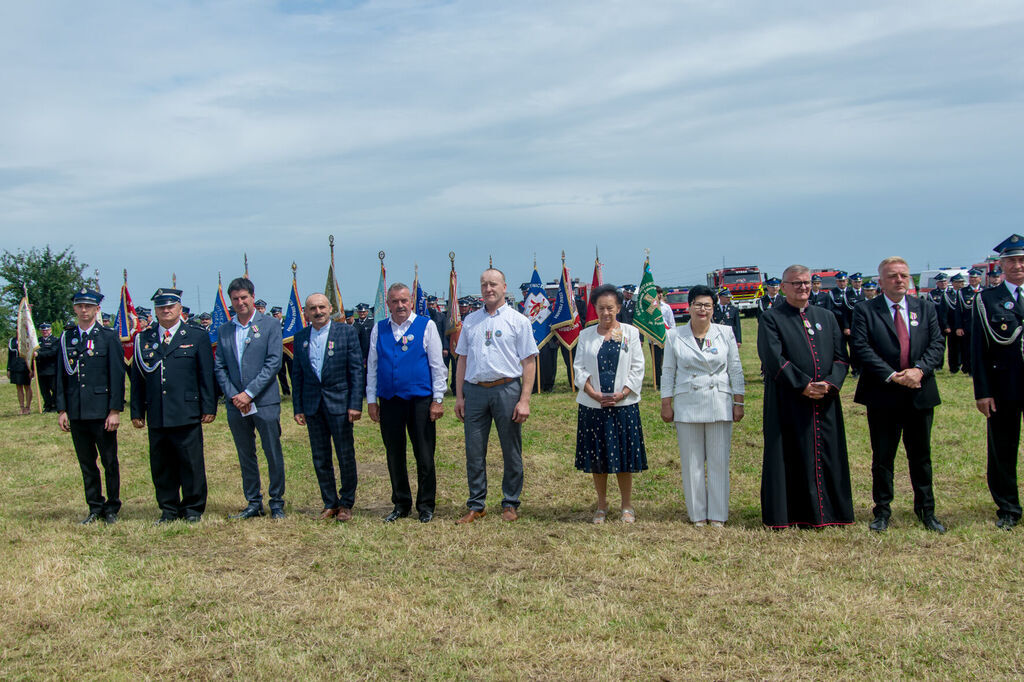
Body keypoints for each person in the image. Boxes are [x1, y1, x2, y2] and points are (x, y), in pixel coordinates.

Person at [851, 257, 946, 533]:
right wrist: (893, 375)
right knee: (883, 457)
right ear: (880, 282)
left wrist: (918, 371)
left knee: (921, 456)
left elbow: (937, 343)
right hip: (883, 394)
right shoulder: (866, 310)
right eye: (892, 276)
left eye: (904, 275)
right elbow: (861, 347)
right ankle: (882, 511)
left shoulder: (925, 308)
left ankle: (927, 511)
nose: (900, 280)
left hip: (919, 392)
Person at [757, 264, 853, 528]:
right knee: (792, 454)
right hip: (788, 399)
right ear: (784, 287)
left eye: (807, 282)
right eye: (796, 283)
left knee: (828, 454)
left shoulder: (827, 316)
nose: (803, 287)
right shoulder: (772, 318)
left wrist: (831, 383)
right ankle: (793, 514)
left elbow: (841, 358)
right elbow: (773, 358)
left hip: (826, 399)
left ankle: (832, 513)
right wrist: (802, 385)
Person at [454, 268, 539, 523]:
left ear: (504, 287)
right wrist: (459, 396)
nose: (488, 289)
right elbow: (462, 360)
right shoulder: (470, 322)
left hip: (506, 390)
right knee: (474, 450)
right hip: (475, 391)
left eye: (493, 284)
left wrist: (524, 399)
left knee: (510, 449)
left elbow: (529, 361)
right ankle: (476, 504)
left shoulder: (518, 320)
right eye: (483, 285)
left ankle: (510, 503)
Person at [131, 288, 217, 523]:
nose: (166, 311)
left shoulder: (196, 335)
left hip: (186, 410)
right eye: (161, 307)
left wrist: (209, 406)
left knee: (191, 462)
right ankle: (168, 509)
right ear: (155, 311)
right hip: (157, 411)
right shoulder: (144, 339)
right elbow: (137, 378)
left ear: (180, 308)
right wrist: (137, 410)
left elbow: (205, 374)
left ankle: (192, 508)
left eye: (170, 306)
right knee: (162, 464)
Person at [661, 285, 744, 527]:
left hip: (719, 400)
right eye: (698, 304)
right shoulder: (674, 335)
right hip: (688, 403)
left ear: (714, 308)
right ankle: (697, 515)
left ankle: (718, 515)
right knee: (692, 462)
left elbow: (735, 369)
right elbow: (668, 373)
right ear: (689, 307)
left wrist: (738, 401)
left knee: (719, 461)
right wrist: (666, 403)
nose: (703, 310)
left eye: (708, 305)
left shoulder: (725, 332)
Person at [367, 284, 447, 523]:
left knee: (424, 454)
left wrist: (438, 399)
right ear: (388, 304)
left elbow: (437, 366)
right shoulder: (379, 329)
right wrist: (372, 400)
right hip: (390, 401)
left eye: (403, 301)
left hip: (420, 401)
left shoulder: (426, 325)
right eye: (394, 301)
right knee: (394, 454)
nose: (399, 305)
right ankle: (401, 504)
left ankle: (426, 505)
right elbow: (372, 366)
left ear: (410, 302)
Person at [573, 284, 646, 523]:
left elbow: (637, 367)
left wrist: (623, 393)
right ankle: (601, 505)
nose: (606, 313)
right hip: (594, 406)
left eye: (610, 308)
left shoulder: (630, 333)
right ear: (595, 309)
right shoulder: (585, 335)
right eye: (601, 308)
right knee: (598, 458)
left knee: (625, 457)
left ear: (619, 307)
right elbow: (579, 368)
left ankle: (627, 505)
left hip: (623, 405)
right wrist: (593, 393)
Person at [214, 277, 286, 520]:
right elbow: (220, 367)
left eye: (244, 297)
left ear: (252, 297)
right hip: (237, 405)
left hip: (263, 401)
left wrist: (249, 393)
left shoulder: (270, 325)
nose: (240, 302)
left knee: (272, 451)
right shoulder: (225, 330)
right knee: (245, 454)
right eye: (235, 299)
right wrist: (235, 395)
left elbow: (273, 362)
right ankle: (253, 502)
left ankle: (277, 502)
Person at [291, 293, 364, 522]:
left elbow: (355, 370)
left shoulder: (346, 332)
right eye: (313, 308)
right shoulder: (301, 336)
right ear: (306, 312)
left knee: (345, 455)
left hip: (340, 405)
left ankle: (346, 503)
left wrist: (355, 404)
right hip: (313, 406)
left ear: (330, 308)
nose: (318, 312)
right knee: (320, 457)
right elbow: (297, 375)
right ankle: (329, 502)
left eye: (322, 307)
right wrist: (298, 407)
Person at [56, 289, 125, 524]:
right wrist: (62, 409)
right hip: (76, 411)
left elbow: (116, 376)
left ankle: (112, 506)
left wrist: (114, 410)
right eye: (80, 306)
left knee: (109, 461)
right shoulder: (67, 338)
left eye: (89, 306)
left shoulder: (107, 336)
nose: (84, 311)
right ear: (75, 309)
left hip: (102, 411)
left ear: (97, 309)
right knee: (86, 462)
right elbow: (61, 377)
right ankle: (94, 505)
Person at [973, 234, 1024, 529]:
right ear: (1001, 265)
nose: (1018, 266)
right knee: (1003, 449)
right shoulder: (986, 299)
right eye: (1012, 261)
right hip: (1004, 386)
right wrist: (983, 391)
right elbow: (978, 351)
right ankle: (1008, 507)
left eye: (1021, 260)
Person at [956, 269, 984, 376]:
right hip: (968, 326)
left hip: (982, 326)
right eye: (971, 278)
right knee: (967, 348)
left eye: (975, 278)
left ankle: (980, 368)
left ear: (980, 279)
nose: (973, 280)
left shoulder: (985, 291)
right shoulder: (962, 292)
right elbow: (958, 311)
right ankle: (969, 368)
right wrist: (959, 327)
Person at [651, 287, 676, 391]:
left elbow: (671, 322)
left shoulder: (666, 307)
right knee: (656, 362)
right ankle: (658, 382)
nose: (659, 295)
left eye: (660, 293)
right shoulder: (650, 308)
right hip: (654, 339)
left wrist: (673, 335)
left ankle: (668, 380)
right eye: (657, 293)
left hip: (666, 337)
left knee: (667, 361)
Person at [7, 332, 32, 415]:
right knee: (18, 387)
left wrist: (32, 369)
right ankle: (21, 407)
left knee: (27, 386)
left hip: (25, 366)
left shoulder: (28, 340)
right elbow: (10, 356)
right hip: (15, 366)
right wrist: (9, 369)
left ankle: (28, 407)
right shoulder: (12, 341)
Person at [36, 322, 59, 412]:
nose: (45, 332)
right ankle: (48, 405)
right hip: (41, 368)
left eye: (47, 330)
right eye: (43, 330)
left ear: (50, 330)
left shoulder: (55, 340)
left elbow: (52, 352)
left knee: (54, 388)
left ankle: (54, 405)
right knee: (44, 390)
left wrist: (39, 354)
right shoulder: (38, 341)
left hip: (51, 368)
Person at [352, 303, 374, 393]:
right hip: (358, 351)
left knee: (368, 371)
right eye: (360, 312)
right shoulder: (355, 323)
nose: (362, 314)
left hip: (369, 351)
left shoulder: (372, 322)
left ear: (367, 312)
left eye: (364, 312)